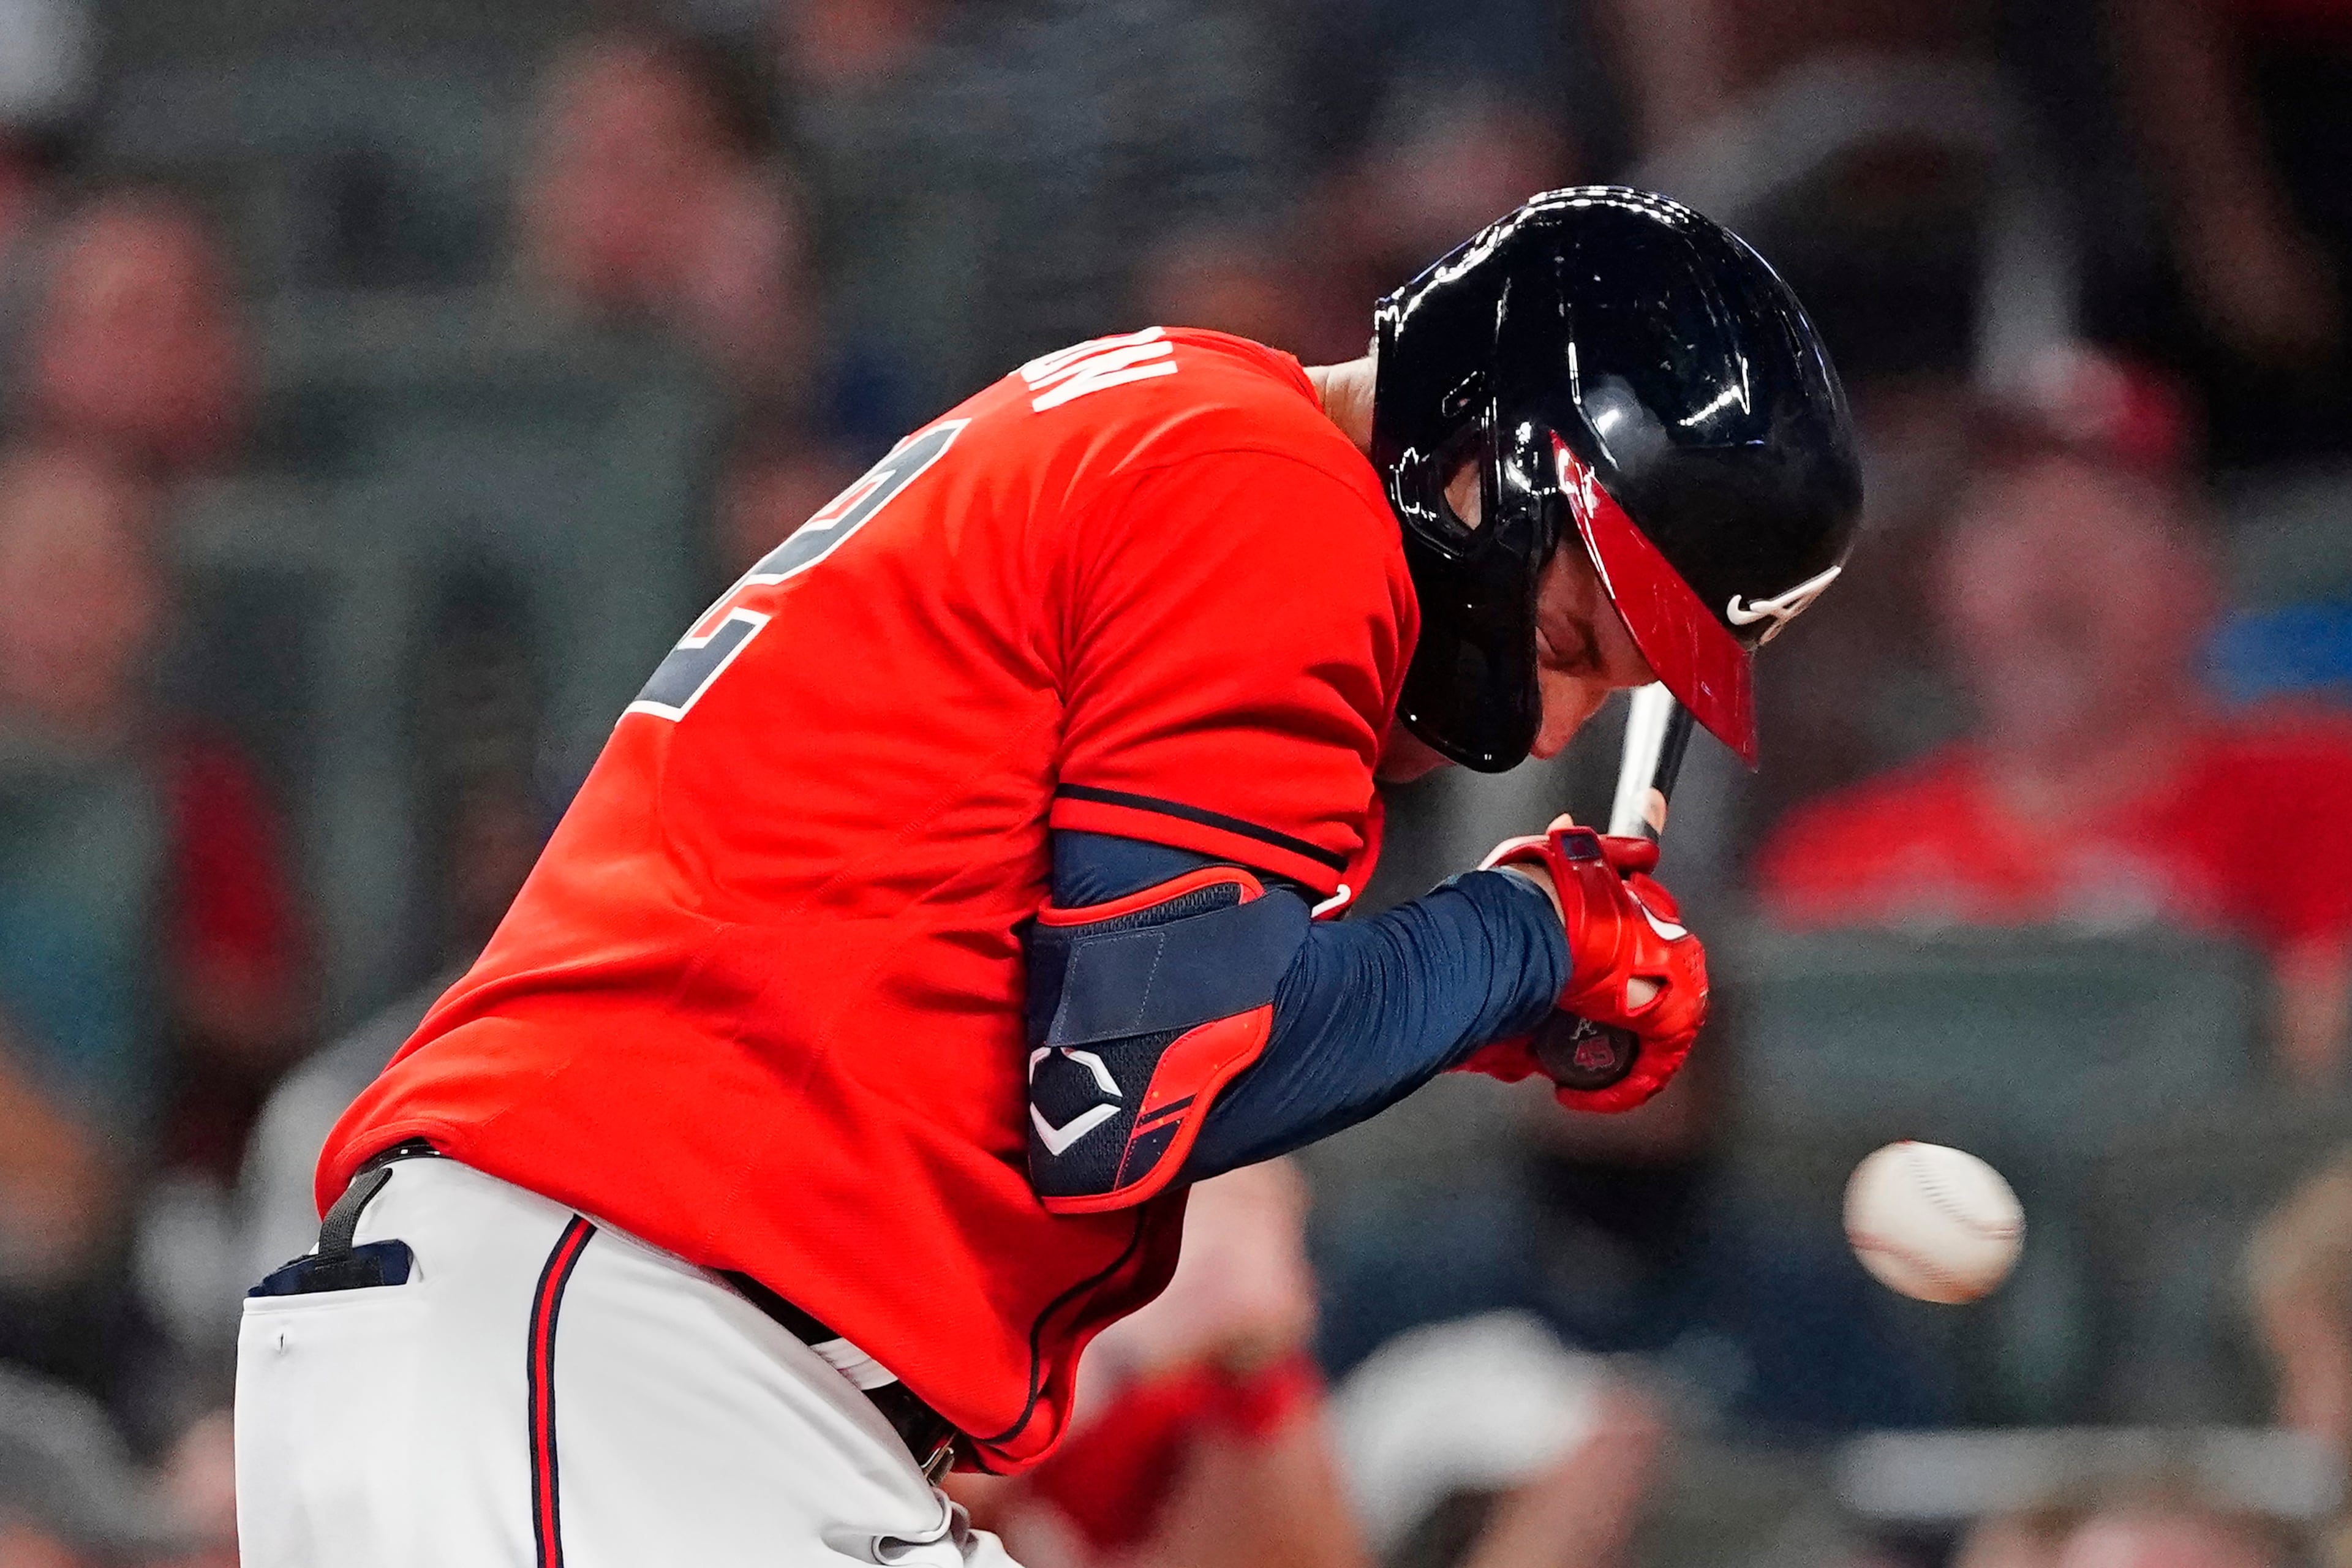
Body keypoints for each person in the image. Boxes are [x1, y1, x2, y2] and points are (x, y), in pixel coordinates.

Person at [235, 187, 1860, 1564]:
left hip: (655, 1359)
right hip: (613, 1330)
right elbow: (1129, 1090)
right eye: (1579, 637)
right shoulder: (1269, 490)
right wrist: (1527, 942)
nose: (1555, 713)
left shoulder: (1185, 438)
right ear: (1481, 452)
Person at [1758, 357, 2352, 1080]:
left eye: (2107, 523)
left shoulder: (2317, 797)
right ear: (1946, 584)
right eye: (2006, 522)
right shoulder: (1833, 859)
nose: (2048, 580)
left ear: (2196, 577)